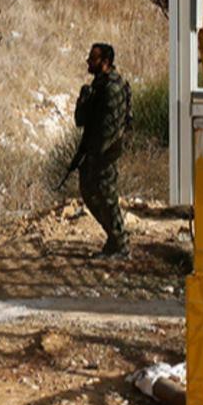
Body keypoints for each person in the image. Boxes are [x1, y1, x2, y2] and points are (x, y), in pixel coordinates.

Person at [71, 42, 132, 259]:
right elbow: (81, 120)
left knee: (106, 196)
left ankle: (120, 243)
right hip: (97, 152)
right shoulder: (98, 86)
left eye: (93, 58)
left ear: (105, 62)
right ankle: (114, 238)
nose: (88, 61)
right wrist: (84, 99)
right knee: (90, 192)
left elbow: (110, 128)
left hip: (106, 152)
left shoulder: (112, 88)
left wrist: (97, 156)